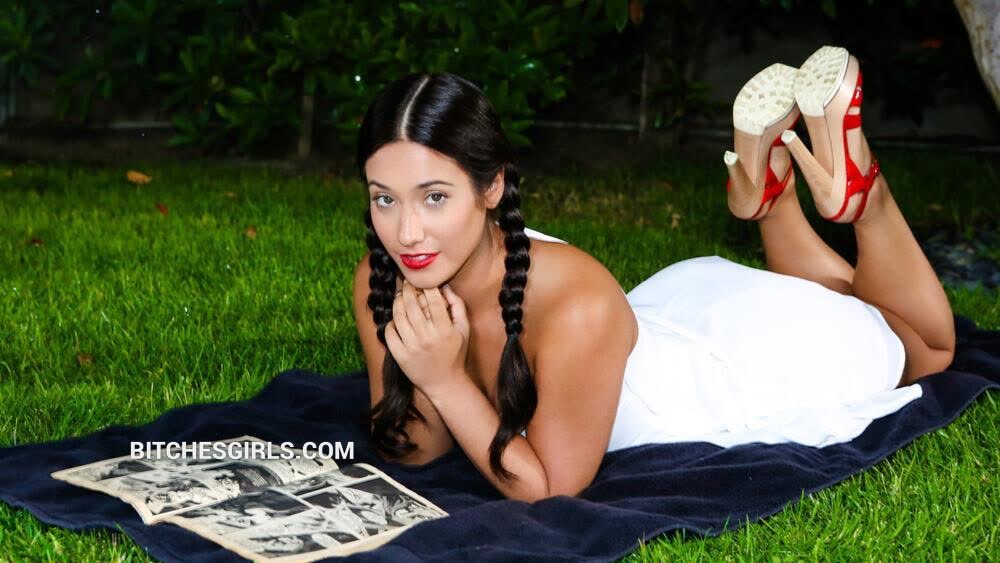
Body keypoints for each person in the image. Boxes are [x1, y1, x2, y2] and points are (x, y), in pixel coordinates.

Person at [350, 45, 956, 503]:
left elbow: (549, 490)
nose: (407, 234)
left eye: (434, 197)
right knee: (830, 294)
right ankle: (770, 199)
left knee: (925, 348)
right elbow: (418, 451)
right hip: (677, 316)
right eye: (385, 199)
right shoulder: (381, 277)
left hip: (729, 375)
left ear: (492, 187)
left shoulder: (573, 304)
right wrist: (430, 374)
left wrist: (448, 381)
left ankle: (865, 202)